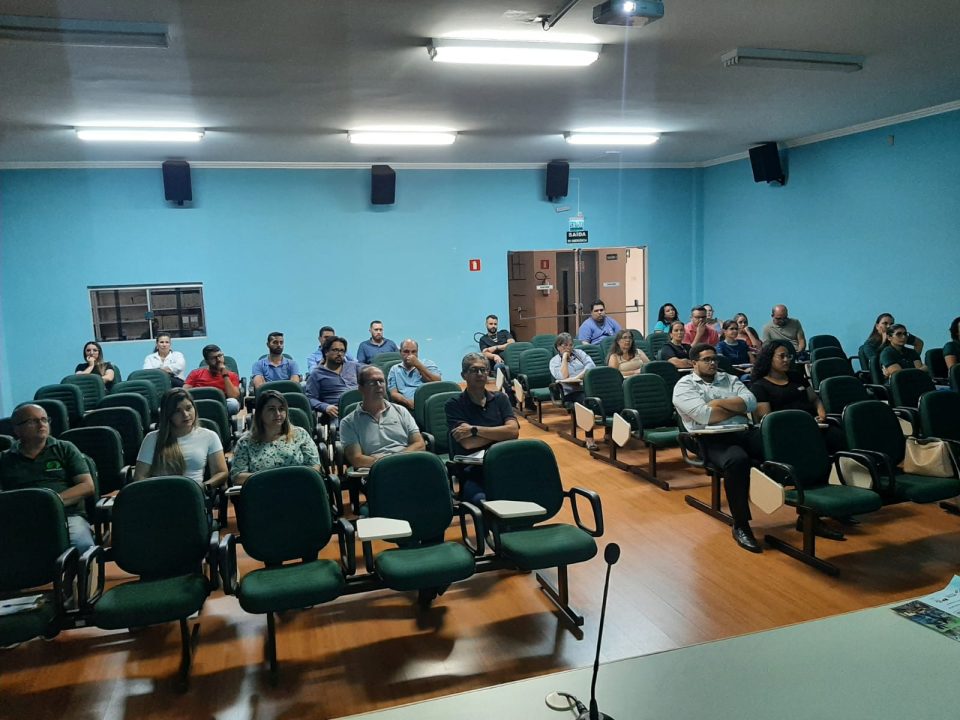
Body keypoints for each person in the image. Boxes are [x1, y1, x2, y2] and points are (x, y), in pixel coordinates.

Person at [750, 341, 847, 538]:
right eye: (782, 356)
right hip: (787, 434)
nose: (787, 360)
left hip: (813, 426)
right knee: (813, 455)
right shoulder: (760, 386)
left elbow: (815, 400)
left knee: (839, 440)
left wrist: (821, 414)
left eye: (789, 356)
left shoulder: (796, 377)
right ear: (769, 359)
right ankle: (810, 515)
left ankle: (834, 501)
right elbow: (766, 419)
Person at [673, 343, 762, 553]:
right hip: (709, 439)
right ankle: (741, 524)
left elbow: (751, 402)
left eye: (714, 359)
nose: (713, 363)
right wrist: (735, 408)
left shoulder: (729, 378)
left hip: (742, 431)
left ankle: (808, 514)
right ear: (694, 363)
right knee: (737, 461)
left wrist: (717, 405)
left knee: (783, 444)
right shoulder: (684, 386)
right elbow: (704, 416)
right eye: (707, 360)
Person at [0, 403, 95, 553]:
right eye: (33, 421)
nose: (41, 424)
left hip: (66, 516)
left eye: (44, 420)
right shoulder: (4, 458)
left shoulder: (65, 448)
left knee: (82, 546)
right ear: (17, 429)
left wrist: (49, 504)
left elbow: (87, 486)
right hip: (21, 519)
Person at [445, 352, 520, 506]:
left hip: (504, 464)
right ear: (463, 375)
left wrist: (474, 430)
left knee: (523, 495)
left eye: (483, 370)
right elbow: (468, 444)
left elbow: (513, 432)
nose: (480, 374)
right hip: (474, 472)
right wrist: (501, 433)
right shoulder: (454, 404)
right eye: (474, 370)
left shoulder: (500, 399)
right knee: (482, 502)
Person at [134, 388, 228, 490]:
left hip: (193, 494)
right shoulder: (152, 439)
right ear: (168, 415)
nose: (186, 415)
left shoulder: (209, 436)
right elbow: (139, 477)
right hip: (160, 496)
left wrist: (205, 486)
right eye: (177, 411)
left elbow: (221, 472)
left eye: (188, 408)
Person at [340, 366, 424, 468]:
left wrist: (397, 459)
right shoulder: (348, 422)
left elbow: (419, 444)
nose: (379, 385)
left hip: (407, 463)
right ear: (361, 388)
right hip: (376, 470)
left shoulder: (401, 411)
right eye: (373, 382)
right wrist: (387, 463)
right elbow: (356, 459)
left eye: (381, 381)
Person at [230, 390, 320, 485]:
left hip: (298, 487)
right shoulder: (245, 442)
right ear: (260, 413)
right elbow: (237, 476)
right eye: (271, 409)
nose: (278, 414)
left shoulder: (300, 434)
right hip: (263, 493)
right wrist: (273, 479)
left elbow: (314, 466)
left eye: (281, 409)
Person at [305, 335, 362, 419]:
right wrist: (325, 407)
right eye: (335, 350)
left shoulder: (354, 366)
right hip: (338, 414)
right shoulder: (317, 374)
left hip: (361, 408)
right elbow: (310, 398)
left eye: (342, 351)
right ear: (326, 352)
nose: (339, 354)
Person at [185, 344, 242, 414]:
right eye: (213, 358)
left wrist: (225, 375)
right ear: (206, 361)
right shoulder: (195, 373)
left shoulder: (232, 375)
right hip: (200, 404)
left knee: (233, 404)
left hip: (222, 405)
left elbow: (233, 396)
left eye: (220, 356)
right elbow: (184, 392)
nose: (218, 360)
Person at [387, 339, 441, 411]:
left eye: (413, 352)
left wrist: (418, 365)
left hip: (428, 405)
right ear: (400, 352)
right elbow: (393, 393)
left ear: (417, 352)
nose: (410, 355)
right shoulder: (394, 369)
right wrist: (407, 402)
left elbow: (438, 383)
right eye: (406, 351)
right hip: (406, 406)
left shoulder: (428, 363)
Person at [549, 332, 595, 405]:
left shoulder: (579, 353)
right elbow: (563, 376)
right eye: (565, 345)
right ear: (558, 347)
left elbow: (591, 365)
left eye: (570, 345)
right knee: (587, 400)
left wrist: (578, 377)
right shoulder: (554, 361)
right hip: (570, 392)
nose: (568, 348)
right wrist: (564, 358)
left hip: (587, 387)